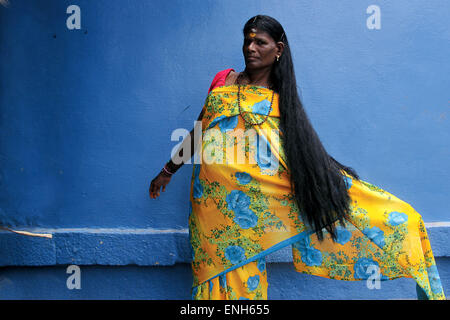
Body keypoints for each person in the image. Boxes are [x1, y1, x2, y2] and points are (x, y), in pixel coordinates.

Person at [149, 15, 445, 300]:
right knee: (209, 273)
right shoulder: (223, 80)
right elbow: (199, 132)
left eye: (260, 43)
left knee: (245, 267)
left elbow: (293, 152)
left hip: (250, 206)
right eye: (247, 41)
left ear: (278, 50)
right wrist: (168, 170)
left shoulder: (280, 97)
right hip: (208, 202)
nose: (250, 48)